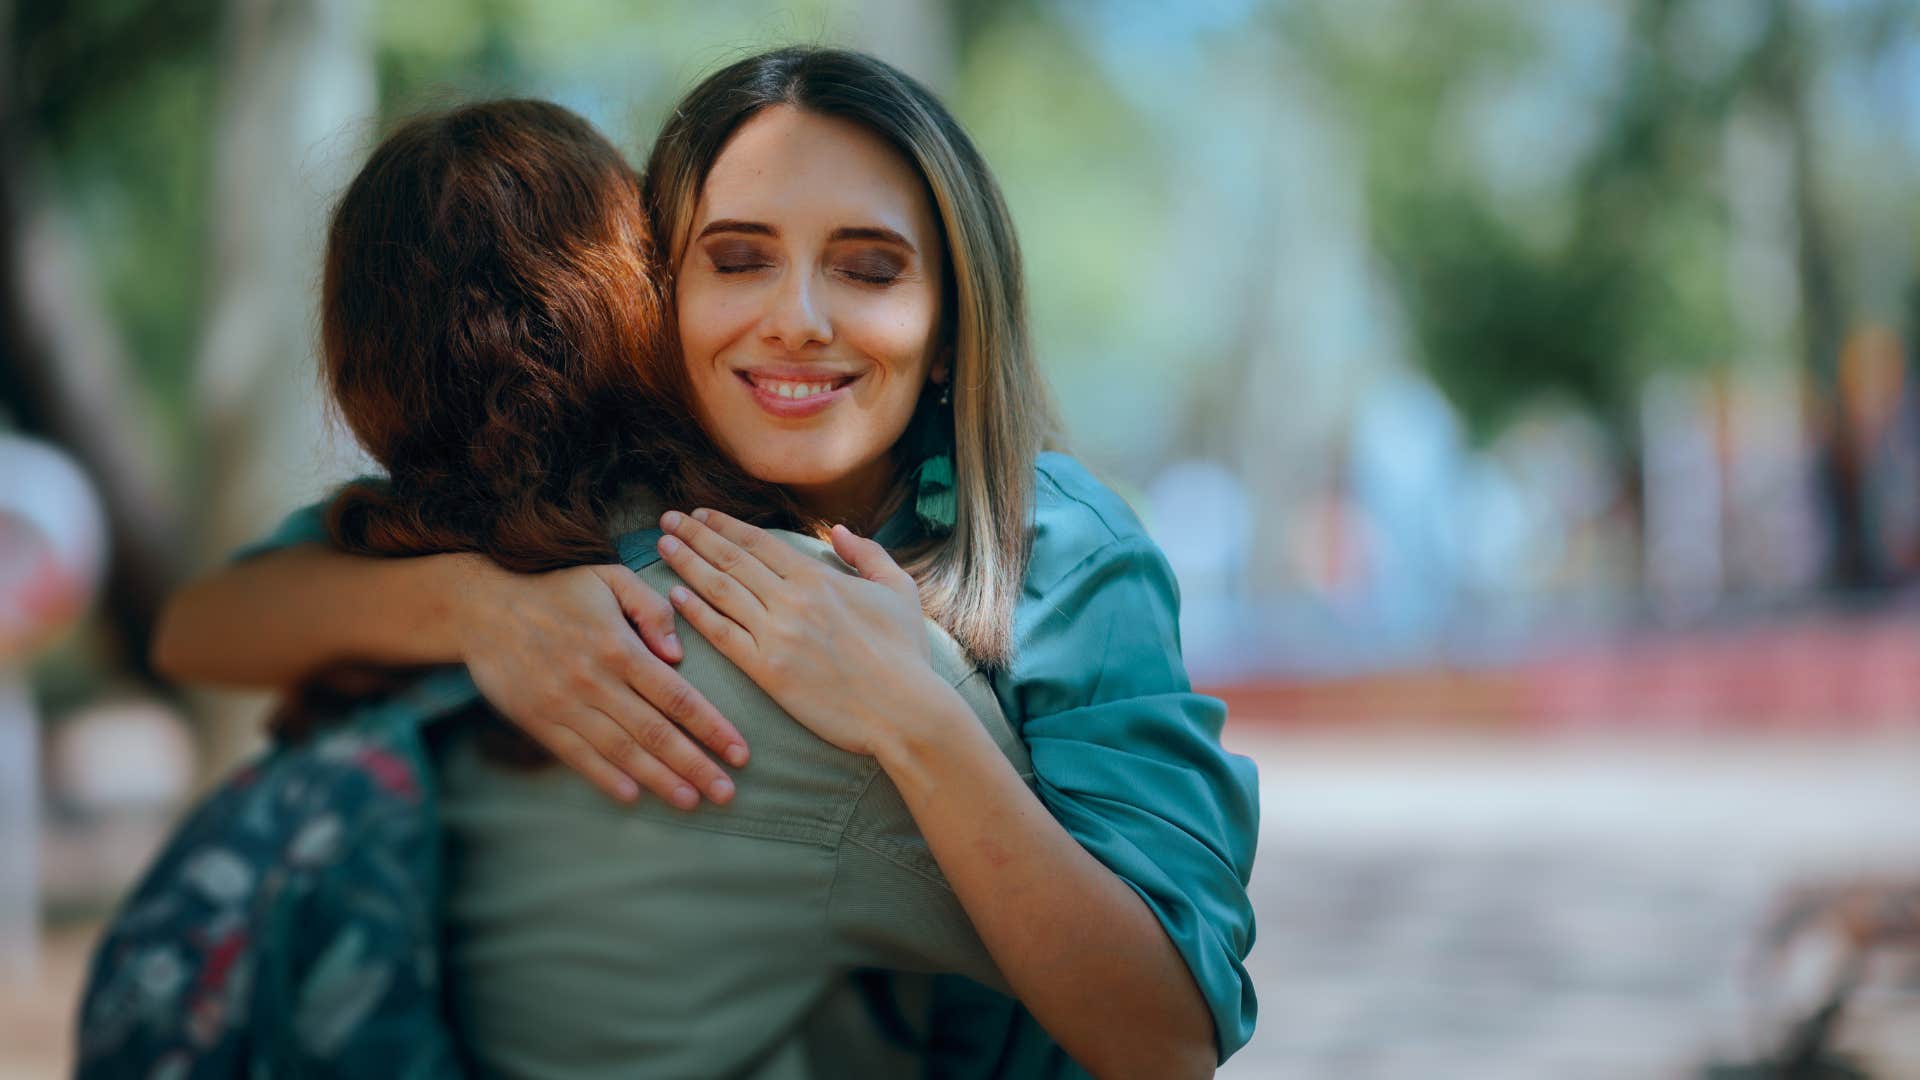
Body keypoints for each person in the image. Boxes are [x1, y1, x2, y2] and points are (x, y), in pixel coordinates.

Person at [155, 47, 1259, 1077]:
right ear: (656, 293)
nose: (797, 320)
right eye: (738, 260)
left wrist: (911, 720)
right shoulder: (581, 507)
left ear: (953, 330)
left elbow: (1163, 1037)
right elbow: (207, 624)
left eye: (870, 271)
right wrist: (472, 607)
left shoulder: (1058, 549)